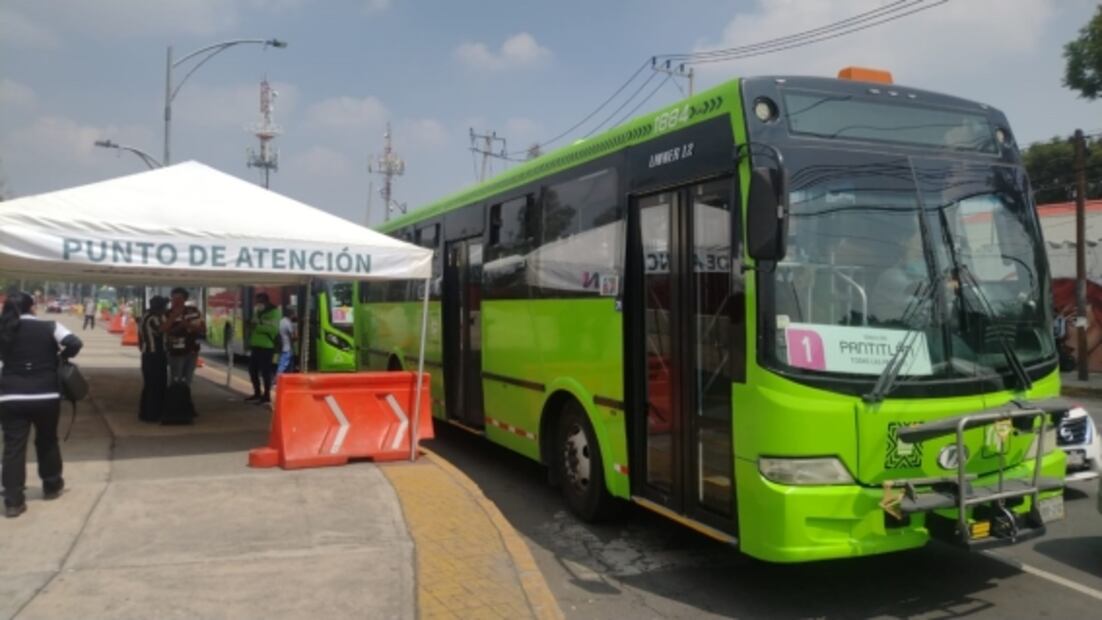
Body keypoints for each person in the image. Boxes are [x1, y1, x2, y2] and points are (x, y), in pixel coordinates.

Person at [0, 291, 82, 518]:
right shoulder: (50, 327)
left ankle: (13, 501)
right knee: (47, 440)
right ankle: (52, 485)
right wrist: (60, 358)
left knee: (13, 448)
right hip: (46, 395)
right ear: (32, 307)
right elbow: (75, 343)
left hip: (11, 397)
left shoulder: (4, 329)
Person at [160, 288, 205, 424]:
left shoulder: (193, 311)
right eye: (174, 298)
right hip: (176, 352)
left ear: (185, 299)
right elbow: (165, 331)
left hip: (191, 351)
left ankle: (186, 407)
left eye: (179, 298)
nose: (176, 301)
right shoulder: (167, 313)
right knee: (175, 380)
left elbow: (202, 329)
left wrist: (187, 325)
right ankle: (173, 407)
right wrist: (177, 322)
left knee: (187, 380)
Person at [246, 293, 280, 404]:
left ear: (266, 301)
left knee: (265, 372)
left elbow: (274, 329)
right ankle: (257, 393)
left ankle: (266, 395)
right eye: (257, 302)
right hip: (256, 345)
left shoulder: (275, 312)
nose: (258, 304)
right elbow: (254, 323)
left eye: (260, 302)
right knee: (252, 370)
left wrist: (257, 327)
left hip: (267, 346)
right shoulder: (258, 311)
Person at [138, 296, 168, 423]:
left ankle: (147, 412)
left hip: (151, 354)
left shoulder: (146, 316)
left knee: (152, 385)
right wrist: (173, 316)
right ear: (159, 308)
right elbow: (161, 329)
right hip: (153, 355)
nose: (165, 309)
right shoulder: (152, 318)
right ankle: (152, 414)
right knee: (155, 385)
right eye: (164, 307)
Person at [276, 306, 297, 378]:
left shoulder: (281, 321)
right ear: (291, 314)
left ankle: (288, 379)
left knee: (289, 365)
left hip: (283, 346)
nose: (295, 315)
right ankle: (278, 380)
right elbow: (293, 336)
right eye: (294, 313)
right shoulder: (288, 323)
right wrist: (296, 334)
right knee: (283, 365)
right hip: (287, 348)